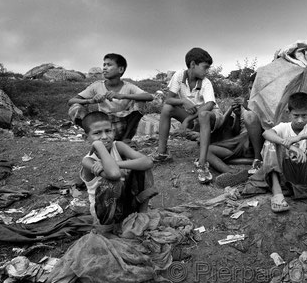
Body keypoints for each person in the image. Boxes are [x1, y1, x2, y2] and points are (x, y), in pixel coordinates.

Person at [151, 47, 224, 184]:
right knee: (167, 108)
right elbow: (168, 99)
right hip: (194, 116)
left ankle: (202, 164)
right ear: (192, 64)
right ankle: (162, 152)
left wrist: (188, 119)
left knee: (203, 114)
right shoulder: (179, 76)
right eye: (205, 67)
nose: (206, 71)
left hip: (211, 117)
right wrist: (183, 101)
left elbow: (209, 105)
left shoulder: (206, 82)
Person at [79, 111, 157, 230]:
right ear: (86, 137)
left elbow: (148, 162)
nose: (104, 137)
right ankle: (109, 228)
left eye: (108, 131)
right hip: (106, 213)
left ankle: (142, 214)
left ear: (113, 131)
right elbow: (114, 174)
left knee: (143, 169)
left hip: (126, 203)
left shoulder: (118, 146)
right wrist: (99, 146)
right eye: (97, 133)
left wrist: (117, 163)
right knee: (112, 183)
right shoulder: (88, 161)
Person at [261, 92, 307, 214]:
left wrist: (298, 138)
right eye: (296, 115)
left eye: (304, 116)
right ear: (288, 113)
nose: (300, 120)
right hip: (286, 174)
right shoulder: (284, 127)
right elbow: (266, 133)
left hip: (306, 174)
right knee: (270, 142)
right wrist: (289, 146)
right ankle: (277, 193)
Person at [68, 53, 153, 142]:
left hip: (122, 125)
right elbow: (71, 101)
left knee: (140, 102)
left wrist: (121, 96)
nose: (104, 68)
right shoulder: (96, 86)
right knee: (75, 107)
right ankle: (95, 135)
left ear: (120, 69)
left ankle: (126, 140)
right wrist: (91, 101)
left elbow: (149, 96)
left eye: (109, 65)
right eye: (104, 65)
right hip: (103, 124)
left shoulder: (128, 86)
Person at [209, 77, 264, 188]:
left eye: (253, 87)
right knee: (206, 150)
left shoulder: (264, 102)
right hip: (241, 142)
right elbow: (235, 131)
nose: (251, 90)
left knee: (249, 116)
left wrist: (248, 108)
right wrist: (238, 116)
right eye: (250, 87)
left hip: (257, 142)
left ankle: (257, 161)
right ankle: (233, 173)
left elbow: (267, 123)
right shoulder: (243, 102)